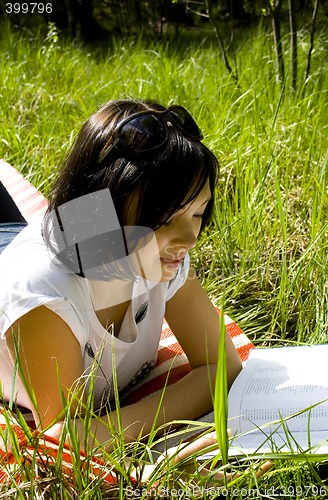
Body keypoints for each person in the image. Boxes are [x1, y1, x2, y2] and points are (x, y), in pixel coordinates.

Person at [0, 99, 242, 454]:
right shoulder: (44, 299)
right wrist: (161, 454)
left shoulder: (157, 255)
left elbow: (223, 364)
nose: (190, 239)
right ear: (105, 211)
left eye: (198, 213)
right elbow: (66, 441)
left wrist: (112, 431)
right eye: (167, 217)